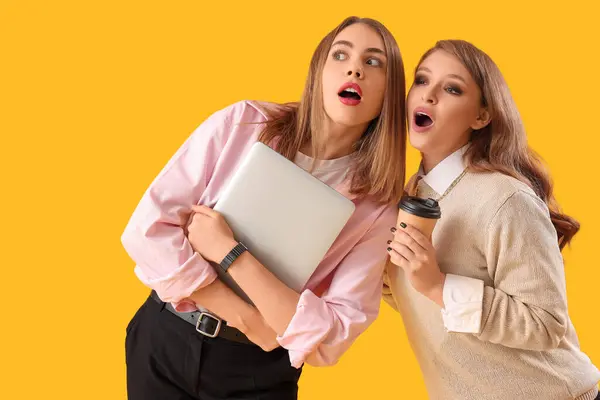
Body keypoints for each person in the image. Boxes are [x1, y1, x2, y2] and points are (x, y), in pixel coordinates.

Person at [122, 16, 407, 400]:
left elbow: (332, 336)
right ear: (319, 72)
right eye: (340, 55)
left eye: (374, 62)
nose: (354, 67)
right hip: (164, 338)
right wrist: (249, 316)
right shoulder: (244, 123)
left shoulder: (377, 209)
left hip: (256, 372)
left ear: (390, 92)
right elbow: (147, 231)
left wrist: (227, 251)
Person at [383, 39, 600, 400]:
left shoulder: (505, 198)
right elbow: (431, 308)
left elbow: (546, 323)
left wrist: (438, 286)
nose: (429, 94)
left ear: (481, 116)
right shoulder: (414, 195)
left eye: (452, 88)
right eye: (421, 80)